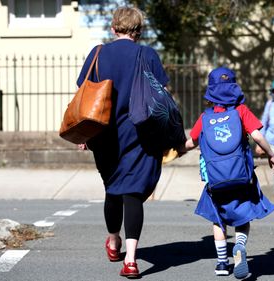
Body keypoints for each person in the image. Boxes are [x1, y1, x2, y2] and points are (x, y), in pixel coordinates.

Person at [76, 7, 178, 278]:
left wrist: (84, 135)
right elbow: (162, 95)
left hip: (103, 135)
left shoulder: (98, 54)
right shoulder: (147, 54)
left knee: (113, 188)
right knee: (132, 193)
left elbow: (84, 94)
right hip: (141, 134)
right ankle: (131, 260)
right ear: (139, 30)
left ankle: (113, 240)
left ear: (113, 28)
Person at [184, 67, 274, 279]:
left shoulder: (205, 116)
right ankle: (240, 245)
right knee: (243, 215)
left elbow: (192, 142)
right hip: (242, 177)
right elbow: (258, 136)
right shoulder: (241, 111)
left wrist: (178, 150)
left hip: (215, 180)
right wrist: (271, 154)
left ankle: (221, 263)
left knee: (218, 220)